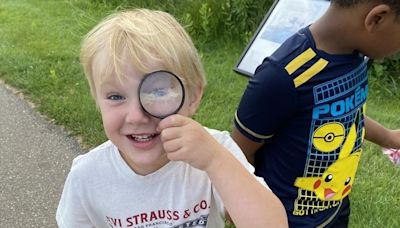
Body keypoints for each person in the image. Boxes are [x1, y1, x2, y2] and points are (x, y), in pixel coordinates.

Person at [56, 8, 288, 228]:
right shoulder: (87, 177)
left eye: (158, 92)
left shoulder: (217, 151)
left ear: (193, 96)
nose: (137, 115)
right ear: (96, 100)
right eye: (115, 96)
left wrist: (215, 161)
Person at [232, 0, 400, 227]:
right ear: (377, 18)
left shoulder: (357, 56)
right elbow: (238, 153)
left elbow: (347, 115)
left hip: (335, 205)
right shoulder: (283, 76)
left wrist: (389, 137)